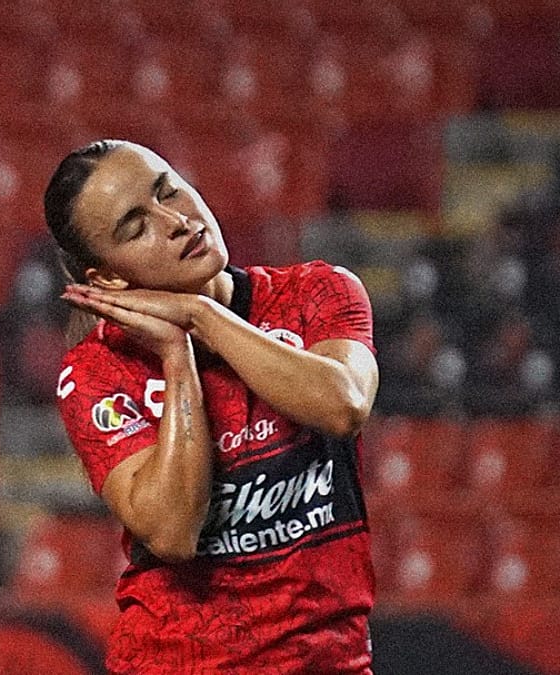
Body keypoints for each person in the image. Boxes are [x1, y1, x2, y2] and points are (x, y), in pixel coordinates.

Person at [45, 139, 379, 673]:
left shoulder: (318, 293)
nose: (175, 220)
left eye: (168, 190)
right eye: (136, 226)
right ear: (106, 279)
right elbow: (174, 532)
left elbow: (342, 403)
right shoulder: (94, 372)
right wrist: (176, 354)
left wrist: (201, 317)